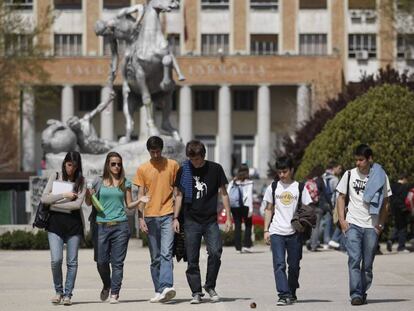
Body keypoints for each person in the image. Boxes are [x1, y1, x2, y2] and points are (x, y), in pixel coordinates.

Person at [173, 140, 232, 304]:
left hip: (210, 220)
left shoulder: (215, 169)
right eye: (192, 160)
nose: (195, 163)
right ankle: (196, 292)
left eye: (198, 159)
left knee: (215, 251)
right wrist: (175, 218)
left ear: (203, 156)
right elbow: (179, 195)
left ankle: (210, 285)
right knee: (192, 258)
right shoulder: (184, 170)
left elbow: (224, 194)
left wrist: (228, 216)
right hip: (191, 220)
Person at [85, 152, 146, 304]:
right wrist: (88, 194)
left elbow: (129, 206)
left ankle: (115, 293)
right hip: (101, 226)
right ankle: (107, 284)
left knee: (117, 263)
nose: (117, 167)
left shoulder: (125, 182)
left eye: (119, 164)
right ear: (107, 165)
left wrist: (140, 200)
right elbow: (88, 203)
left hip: (121, 226)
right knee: (101, 261)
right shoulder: (98, 181)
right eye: (113, 164)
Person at [336, 144, 391, 306]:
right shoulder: (349, 174)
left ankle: (362, 290)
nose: (358, 163)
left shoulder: (381, 176)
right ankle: (356, 295)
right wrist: (342, 220)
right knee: (354, 259)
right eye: (356, 160)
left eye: (361, 160)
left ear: (369, 159)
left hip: (371, 226)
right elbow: (340, 197)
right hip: (352, 223)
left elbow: (386, 202)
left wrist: (380, 225)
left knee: (367, 265)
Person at [133, 136, 179, 303]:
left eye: (158, 151)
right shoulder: (143, 169)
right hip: (150, 217)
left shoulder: (172, 165)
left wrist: (177, 217)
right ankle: (159, 290)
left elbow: (177, 192)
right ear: (149, 151)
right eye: (152, 152)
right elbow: (139, 195)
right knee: (155, 257)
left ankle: (167, 285)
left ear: (162, 149)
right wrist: (141, 218)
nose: (156, 155)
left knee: (166, 253)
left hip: (167, 214)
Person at [263, 156, 313, 306]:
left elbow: (309, 209)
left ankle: (291, 291)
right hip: (277, 231)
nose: (282, 175)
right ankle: (283, 294)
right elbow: (268, 209)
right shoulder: (272, 187)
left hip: (294, 233)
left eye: (285, 171)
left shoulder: (300, 187)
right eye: (279, 172)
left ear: (291, 170)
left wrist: (304, 221)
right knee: (279, 264)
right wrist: (266, 230)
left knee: (294, 265)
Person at [41, 151, 87, 306]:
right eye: (69, 165)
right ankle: (58, 291)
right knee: (56, 260)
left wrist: (54, 204)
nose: (71, 169)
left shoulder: (82, 181)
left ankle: (67, 294)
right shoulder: (55, 176)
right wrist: (63, 195)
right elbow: (44, 198)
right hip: (54, 225)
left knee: (72, 262)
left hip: (74, 226)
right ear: (64, 163)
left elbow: (76, 204)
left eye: (74, 166)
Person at [227, 164, 254, 253]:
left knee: (237, 226)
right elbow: (249, 196)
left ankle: (238, 247)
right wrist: (251, 209)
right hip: (245, 206)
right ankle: (246, 245)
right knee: (248, 225)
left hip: (235, 206)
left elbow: (228, 193)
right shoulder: (249, 182)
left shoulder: (233, 182)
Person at [387, 174, 411, 253]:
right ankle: (401, 247)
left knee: (398, 226)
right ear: (404, 179)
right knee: (403, 228)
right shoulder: (405, 187)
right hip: (402, 209)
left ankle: (391, 240)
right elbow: (406, 198)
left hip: (394, 210)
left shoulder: (392, 186)